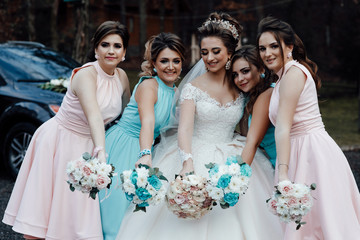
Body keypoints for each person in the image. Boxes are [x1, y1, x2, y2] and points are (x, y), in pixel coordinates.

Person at [115, 12, 283, 240]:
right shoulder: (192, 88)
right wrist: (187, 162)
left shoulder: (240, 86)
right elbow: (184, 129)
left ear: (230, 53)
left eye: (216, 51)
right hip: (192, 150)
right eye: (204, 52)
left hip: (231, 151)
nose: (210, 58)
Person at [2, 20, 130, 239]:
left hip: (90, 144)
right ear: (96, 49)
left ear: (124, 51)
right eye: (105, 45)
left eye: (117, 46)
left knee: (77, 217)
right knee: (43, 218)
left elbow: (128, 115)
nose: (111, 51)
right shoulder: (85, 75)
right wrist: (101, 152)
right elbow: (95, 117)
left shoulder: (122, 77)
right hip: (61, 142)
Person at [257, 16, 360, 239]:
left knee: (324, 222)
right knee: (304, 224)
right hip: (297, 151)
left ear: (289, 47)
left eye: (274, 46)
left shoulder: (294, 73)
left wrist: (283, 173)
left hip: (312, 153)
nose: (267, 53)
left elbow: (283, 126)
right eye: (262, 48)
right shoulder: (282, 77)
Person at [98, 32, 185, 240]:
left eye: (176, 61)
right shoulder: (149, 86)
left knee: (139, 213)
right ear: (154, 64)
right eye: (164, 61)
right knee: (117, 210)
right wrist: (145, 154)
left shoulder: (175, 91)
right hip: (125, 144)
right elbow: (148, 122)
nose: (170, 67)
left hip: (146, 147)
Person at [231, 45, 277, 168]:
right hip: (271, 162)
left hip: (284, 162)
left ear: (261, 69)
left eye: (245, 71)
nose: (240, 79)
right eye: (235, 74)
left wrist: (236, 176)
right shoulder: (250, 97)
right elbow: (247, 137)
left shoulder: (268, 94)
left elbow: (253, 143)